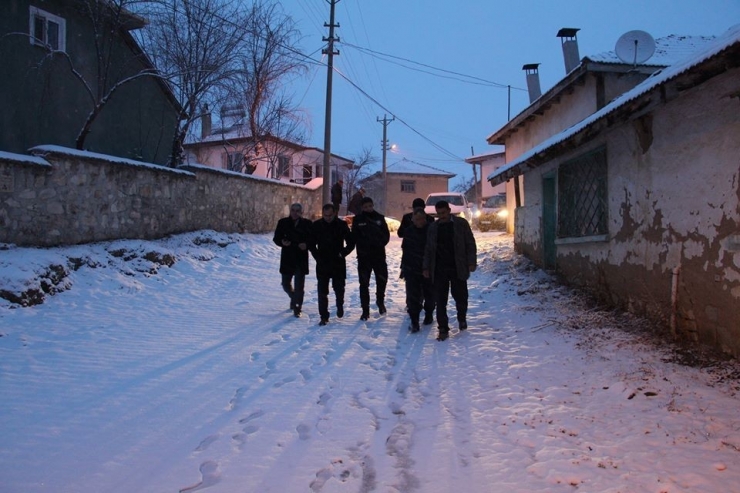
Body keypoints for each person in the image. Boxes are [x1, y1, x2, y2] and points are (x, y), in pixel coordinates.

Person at [423, 200, 477, 341]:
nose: (442, 216)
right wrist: (426, 267)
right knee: (440, 300)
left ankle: (462, 318)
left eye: (444, 212)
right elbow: (428, 249)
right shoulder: (433, 228)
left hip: (457, 266)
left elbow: (470, 243)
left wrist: (471, 262)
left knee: (460, 296)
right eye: (439, 214)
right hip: (439, 269)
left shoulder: (461, 224)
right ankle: (443, 328)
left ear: (449, 210)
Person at [309, 203, 355, 326]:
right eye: (325, 215)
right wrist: (317, 256)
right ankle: (324, 316)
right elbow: (311, 244)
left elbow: (351, 242)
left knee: (339, 288)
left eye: (330, 215)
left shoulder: (341, 225)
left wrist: (343, 253)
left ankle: (340, 305)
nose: (327, 217)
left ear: (334, 213)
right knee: (322, 291)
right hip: (323, 262)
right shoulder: (317, 225)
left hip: (337, 261)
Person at [351, 196, 390, 321]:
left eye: (370, 206)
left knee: (382, 280)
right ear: (362, 208)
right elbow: (354, 236)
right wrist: (363, 246)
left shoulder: (379, 218)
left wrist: (379, 243)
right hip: (364, 257)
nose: (368, 208)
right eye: (365, 207)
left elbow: (386, 235)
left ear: (373, 205)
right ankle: (365, 309)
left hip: (378, 255)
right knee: (364, 284)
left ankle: (380, 301)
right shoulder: (357, 220)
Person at [272, 203, 314, 317]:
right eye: (293, 210)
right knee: (285, 284)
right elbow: (276, 238)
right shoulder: (283, 223)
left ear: (302, 212)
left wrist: (306, 245)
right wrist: (282, 242)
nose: (295, 213)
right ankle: (293, 297)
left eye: (298, 211)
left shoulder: (307, 224)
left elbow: (313, 239)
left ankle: (297, 307)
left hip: (301, 258)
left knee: (299, 286)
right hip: (287, 257)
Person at [401, 208, 435, 332]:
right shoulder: (409, 231)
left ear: (425, 219)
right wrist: (404, 267)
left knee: (429, 294)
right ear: (413, 220)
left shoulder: (431, 230)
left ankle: (429, 314)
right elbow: (405, 250)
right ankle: (414, 320)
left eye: (421, 219)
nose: (419, 221)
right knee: (413, 296)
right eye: (417, 219)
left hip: (428, 268)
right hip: (412, 268)